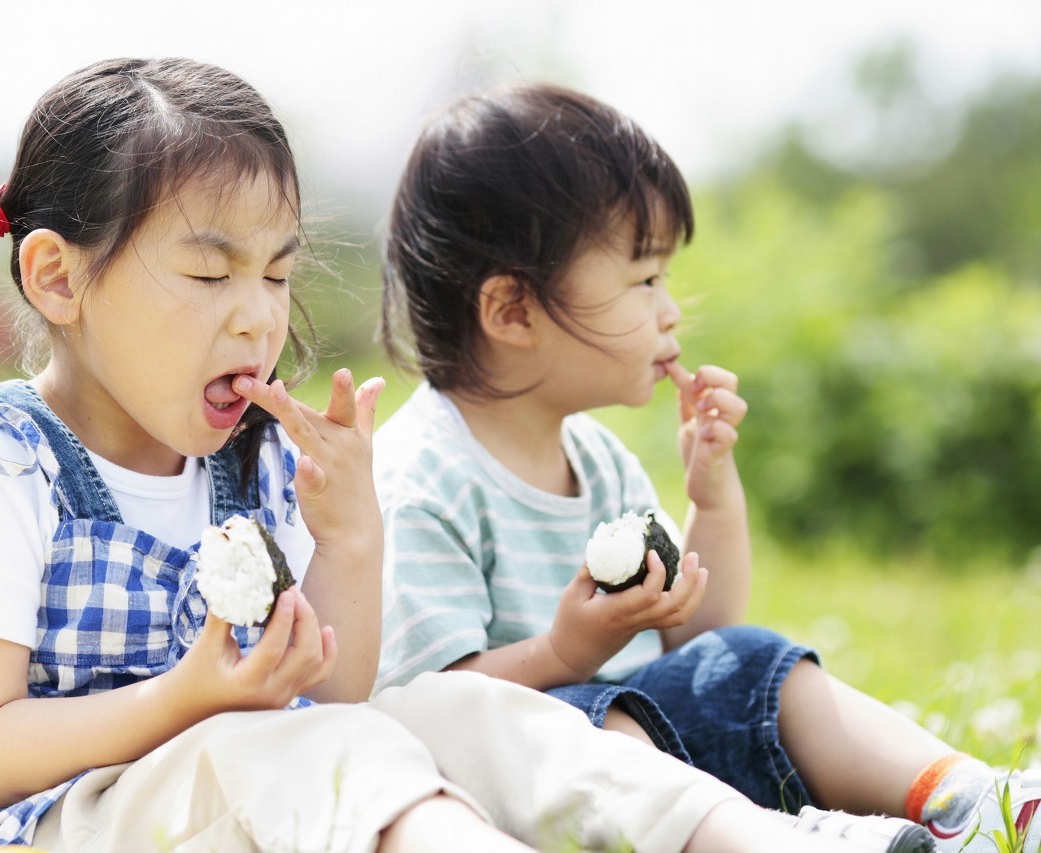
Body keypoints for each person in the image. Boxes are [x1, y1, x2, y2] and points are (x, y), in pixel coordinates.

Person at [0, 58, 879, 853]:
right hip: (38, 822)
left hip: (223, 782)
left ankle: (748, 838)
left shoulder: (245, 465)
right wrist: (189, 697)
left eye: (276, 273)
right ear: (58, 280)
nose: (258, 316)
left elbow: (335, 694)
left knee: (460, 706)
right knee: (290, 750)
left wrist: (346, 534)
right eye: (209, 274)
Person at [373, 80, 1040, 853]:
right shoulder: (423, 477)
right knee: (590, 716)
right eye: (643, 278)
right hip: (545, 779)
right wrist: (563, 655)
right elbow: (434, 710)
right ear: (513, 311)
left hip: (661, 759)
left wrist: (712, 496)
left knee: (750, 661)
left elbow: (699, 635)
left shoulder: (596, 457)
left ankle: (971, 802)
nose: (670, 310)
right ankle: (786, 837)